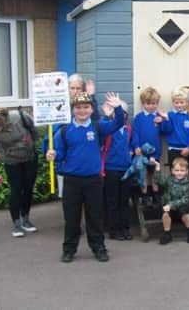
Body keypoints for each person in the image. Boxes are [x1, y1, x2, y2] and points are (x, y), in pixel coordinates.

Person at [46, 92, 124, 263]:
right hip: (72, 180)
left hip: (93, 180)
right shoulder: (65, 131)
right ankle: (69, 249)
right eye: (78, 107)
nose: (82, 111)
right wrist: (53, 155)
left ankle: (98, 248)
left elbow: (118, 123)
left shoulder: (98, 127)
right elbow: (59, 154)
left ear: (91, 109)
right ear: (73, 110)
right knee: (71, 218)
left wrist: (117, 107)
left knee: (95, 216)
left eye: (86, 107)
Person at [0, 107, 38, 238]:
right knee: (16, 189)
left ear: (1, 124)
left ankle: (26, 218)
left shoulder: (18, 117)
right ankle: (16, 222)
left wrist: (32, 142)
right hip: (11, 161)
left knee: (28, 188)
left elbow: (33, 128)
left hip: (29, 157)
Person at [102, 100, 133, 241]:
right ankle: (113, 230)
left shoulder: (129, 130)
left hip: (126, 168)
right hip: (111, 168)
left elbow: (133, 143)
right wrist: (105, 116)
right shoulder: (108, 129)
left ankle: (125, 228)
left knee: (124, 201)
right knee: (112, 201)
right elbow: (100, 130)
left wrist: (133, 150)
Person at [131, 86, 165, 194]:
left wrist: (163, 122)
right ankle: (144, 195)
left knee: (155, 173)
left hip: (155, 152)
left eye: (154, 103)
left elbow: (166, 131)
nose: (151, 106)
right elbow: (135, 133)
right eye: (148, 103)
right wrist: (136, 146)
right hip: (141, 152)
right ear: (143, 103)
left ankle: (156, 194)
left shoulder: (159, 116)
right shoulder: (139, 117)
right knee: (143, 173)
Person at [154, 157, 189, 245]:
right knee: (165, 214)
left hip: (182, 205)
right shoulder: (169, 180)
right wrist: (157, 167)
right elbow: (158, 181)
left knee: (186, 214)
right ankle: (167, 234)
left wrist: (171, 205)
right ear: (172, 171)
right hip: (169, 205)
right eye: (177, 170)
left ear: (187, 171)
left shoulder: (188, 184)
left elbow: (186, 199)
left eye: (182, 170)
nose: (179, 172)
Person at [162, 87, 189, 166]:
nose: (179, 105)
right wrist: (166, 119)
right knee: (174, 171)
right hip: (173, 149)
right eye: (176, 103)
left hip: (186, 149)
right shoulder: (169, 115)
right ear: (173, 103)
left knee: (185, 171)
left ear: (186, 103)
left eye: (181, 102)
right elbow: (166, 130)